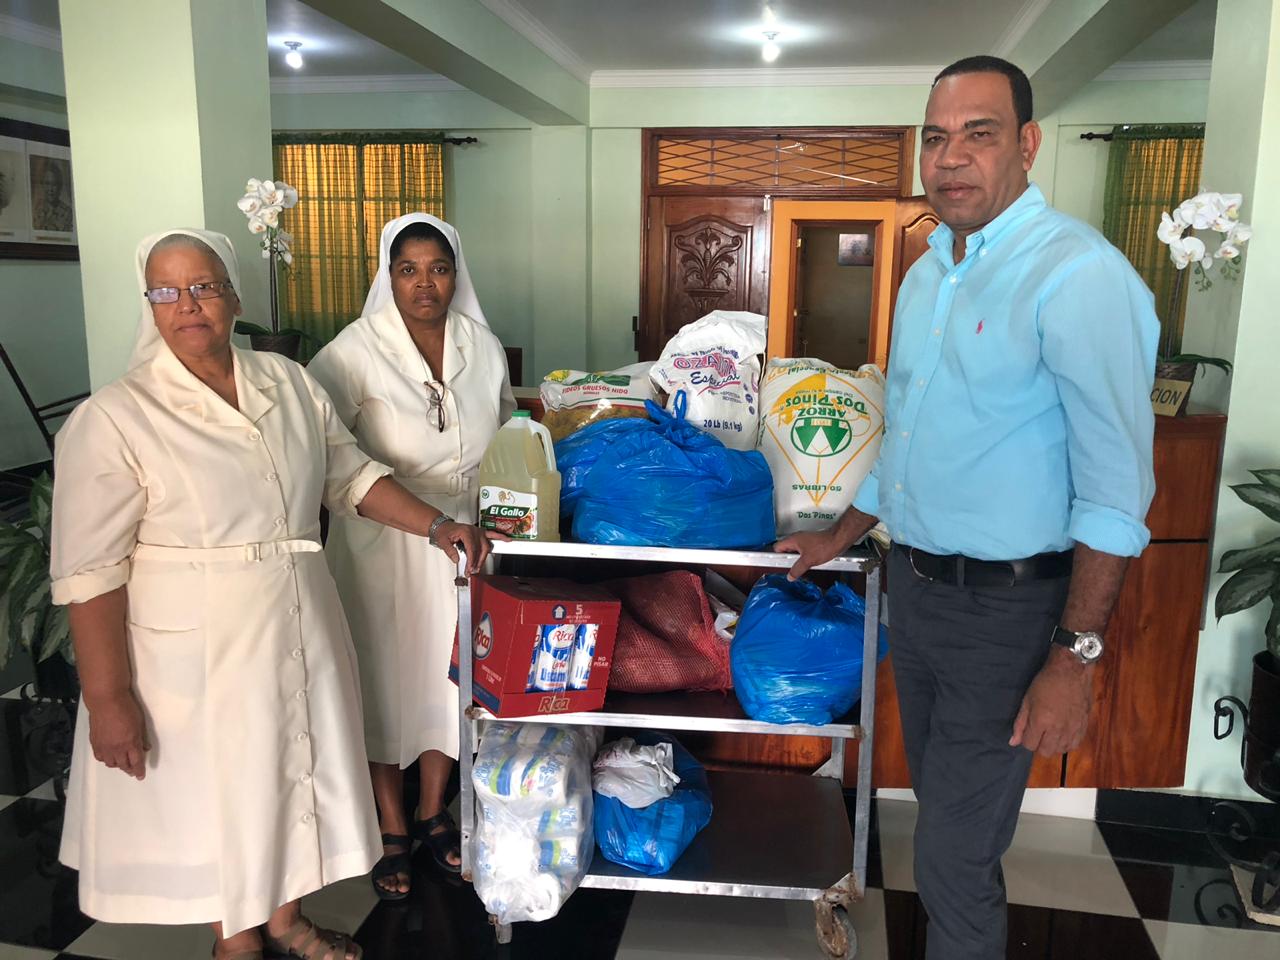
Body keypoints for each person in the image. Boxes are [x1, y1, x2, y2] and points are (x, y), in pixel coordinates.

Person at [778, 56, 1157, 960]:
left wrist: (1074, 657)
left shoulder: (1078, 274)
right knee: (946, 821)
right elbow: (908, 445)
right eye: (936, 138)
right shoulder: (926, 276)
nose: (951, 159)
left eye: (978, 135)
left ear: (1027, 144)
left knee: (953, 854)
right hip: (917, 596)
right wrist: (839, 533)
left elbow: (1115, 488)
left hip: (1010, 613)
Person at [51, 228, 494, 960]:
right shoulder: (115, 418)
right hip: (191, 644)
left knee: (290, 775)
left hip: (296, 616)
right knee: (216, 789)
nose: (188, 303)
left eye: (204, 286)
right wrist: (107, 697)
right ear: (149, 304)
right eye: (167, 290)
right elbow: (89, 573)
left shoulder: (286, 384)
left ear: (232, 296)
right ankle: (236, 940)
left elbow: (350, 476)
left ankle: (286, 920)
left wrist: (436, 525)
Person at [308, 213, 515, 899]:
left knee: (447, 678)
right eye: (408, 270)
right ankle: (390, 825)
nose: (425, 284)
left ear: (456, 276)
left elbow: (506, 432)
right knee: (383, 680)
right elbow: (320, 452)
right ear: (388, 277)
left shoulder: (482, 346)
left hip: (465, 537)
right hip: (380, 539)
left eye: (438, 269)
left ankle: (432, 812)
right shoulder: (350, 352)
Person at [32, 159, 73, 232]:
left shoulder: (68, 213)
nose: (50, 189)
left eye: (54, 184)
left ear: (59, 187)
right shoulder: (35, 208)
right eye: (47, 183)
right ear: (42, 185)